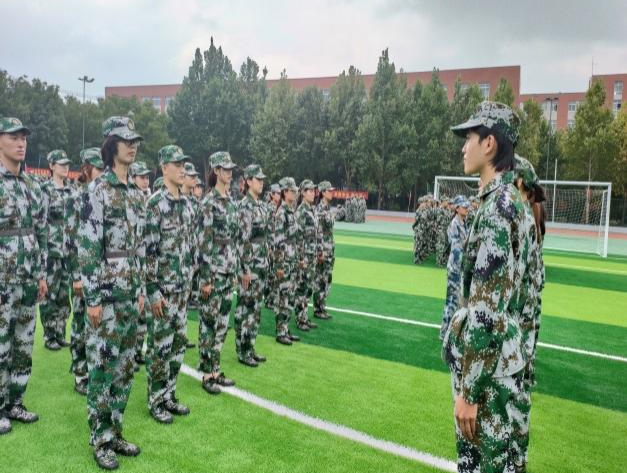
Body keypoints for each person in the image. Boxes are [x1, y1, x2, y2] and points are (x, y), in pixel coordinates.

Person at [442, 102, 530, 473]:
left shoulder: (498, 208)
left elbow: (486, 309)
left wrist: (470, 391)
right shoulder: (505, 202)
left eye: (470, 138)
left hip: (488, 377)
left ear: (490, 144)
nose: (464, 148)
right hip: (498, 366)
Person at [79, 116, 145, 469]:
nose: (131, 146)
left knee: (124, 368)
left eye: (134, 141)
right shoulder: (98, 189)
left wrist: (141, 289)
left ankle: (116, 431)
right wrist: (92, 298)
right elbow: (89, 247)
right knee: (102, 369)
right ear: (110, 145)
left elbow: (140, 247)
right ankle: (100, 438)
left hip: (130, 294)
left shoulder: (135, 192)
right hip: (105, 297)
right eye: (125, 140)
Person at [0, 117, 47, 435]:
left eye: (24, 138)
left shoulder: (33, 186)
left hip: (28, 279)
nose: (21, 143)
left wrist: (41, 274)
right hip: (3, 281)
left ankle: (15, 402)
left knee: (23, 344)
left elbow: (41, 232)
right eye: (14, 137)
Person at [144, 145, 195, 423]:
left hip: (182, 290)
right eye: (177, 164)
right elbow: (148, 251)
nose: (182, 169)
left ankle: (169, 395)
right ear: (164, 168)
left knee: (178, 345)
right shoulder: (155, 204)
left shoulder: (186, 204)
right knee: (159, 348)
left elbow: (190, 246)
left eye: (183, 164)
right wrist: (152, 291)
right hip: (163, 291)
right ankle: (155, 400)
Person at [197, 151, 238, 395]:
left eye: (231, 169)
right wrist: (206, 278)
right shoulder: (209, 203)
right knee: (209, 323)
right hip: (213, 273)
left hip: (228, 271)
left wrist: (234, 270)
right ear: (216, 171)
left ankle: (216, 368)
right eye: (225, 169)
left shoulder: (230, 201)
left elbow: (233, 239)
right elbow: (204, 243)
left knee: (222, 323)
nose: (229, 172)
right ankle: (206, 373)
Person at [66, 148, 105, 395]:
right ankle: (80, 372)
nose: (102, 173)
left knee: (97, 326)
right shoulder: (77, 198)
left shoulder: (103, 196)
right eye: (98, 168)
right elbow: (70, 241)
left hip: (100, 272)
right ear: (87, 169)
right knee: (81, 323)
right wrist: (76, 276)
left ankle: (94, 369)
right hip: (82, 272)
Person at [234, 164, 270, 367]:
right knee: (246, 308)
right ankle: (242, 349)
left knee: (255, 309)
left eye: (262, 179)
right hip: (250, 266)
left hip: (261, 264)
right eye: (258, 179)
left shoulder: (261, 206)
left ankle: (250, 347)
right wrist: (244, 269)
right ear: (248, 181)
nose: (261, 183)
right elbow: (242, 240)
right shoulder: (244, 207)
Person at [40, 150, 73, 350]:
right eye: (61, 164)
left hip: (67, 252)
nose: (65, 167)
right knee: (49, 296)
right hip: (51, 251)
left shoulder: (70, 190)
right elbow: (41, 222)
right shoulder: (45, 190)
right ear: (51, 166)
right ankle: (49, 335)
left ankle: (60, 333)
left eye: (67, 164)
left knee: (63, 297)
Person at [271, 177, 301, 346]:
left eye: (295, 191)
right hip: (285, 261)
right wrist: (280, 265)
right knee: (283, 296)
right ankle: (280, 331)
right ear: (285, 192)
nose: (295, 193)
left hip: (292, 259)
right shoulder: (281, 213)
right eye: (292, 191)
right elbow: (278, 242)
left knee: (290, 296)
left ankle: (286, 328)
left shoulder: (291, 211)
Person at [129, 160, 152, 370]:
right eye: (141, 177)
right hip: (133, 260)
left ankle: (137, 351)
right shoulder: (130, 199)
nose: (146, 181)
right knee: (133, 311)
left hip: (147, 260)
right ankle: (129, 355)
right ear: (133, 177)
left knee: (143, 313)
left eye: (147, 177)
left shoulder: (149, 199)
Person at [439, 195, 470, 340]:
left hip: (461, 268)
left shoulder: (464, 223)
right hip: (455, 268)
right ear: (457, 209)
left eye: (467, 206)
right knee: (451, 301)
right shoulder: (454, 224)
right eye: (464, 206)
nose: (467, 208)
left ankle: (453, 331)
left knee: (458, 302)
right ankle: (444, 332)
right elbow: (457, 248)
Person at [294, 179, 319, 331]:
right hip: (305, 257)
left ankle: (304, 316)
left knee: (308, 288)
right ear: (303, 193)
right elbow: (299, 237)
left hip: (312, 255)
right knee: (302, 288)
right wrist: (301, 258)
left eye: (313, 190)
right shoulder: (301, 211)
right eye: (310, 190)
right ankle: (300, 319)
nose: (313, 193)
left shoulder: (311, 209)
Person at [313, 181, 336, 320]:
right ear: (322, 192)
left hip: (329, 249)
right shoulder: (320, 210)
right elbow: (318, 232)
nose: (331, 192)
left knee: (327, 279)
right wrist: (320, 252)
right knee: (320, 279)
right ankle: (318, 309)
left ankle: (322, 306)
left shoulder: (327, 208)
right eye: (329, 190)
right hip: (324, 251)